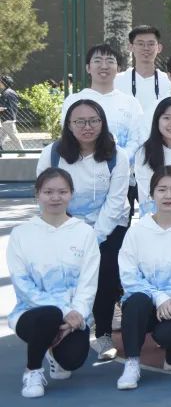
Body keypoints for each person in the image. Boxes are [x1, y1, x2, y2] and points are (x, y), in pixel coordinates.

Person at [37, 100, 130, 362]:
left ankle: (103, 334)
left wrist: (93, 237)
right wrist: (70, 230)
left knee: (106, 275)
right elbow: (46, 194)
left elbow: (115, 201)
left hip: (108, 226)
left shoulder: (117, 156)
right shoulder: (52, 154)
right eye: (80, 121)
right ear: (69, 125)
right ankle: (60, 329)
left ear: (102, 123)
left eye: (93, 121)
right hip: (64, 224)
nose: (87, 127)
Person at [8, 168, 99, 399]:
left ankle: (53, 353)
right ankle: (33, 370)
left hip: (73, 317)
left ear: (71, 194)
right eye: (48, 192)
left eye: (62, 192)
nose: (55, 197)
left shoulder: (85, 233)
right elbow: (23, 285)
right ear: (37, 194)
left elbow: (88, 282)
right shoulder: (21, 234)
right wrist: (65, 311)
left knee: (72, 360)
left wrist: (77, 314)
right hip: (31, 314)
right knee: (49, 314)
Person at [115, 167, 171, 389]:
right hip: (146, 302)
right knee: (135, 302)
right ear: (151, 193)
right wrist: (159, 298)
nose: (168, 195)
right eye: (162, 189)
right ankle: (132, 363)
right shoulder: (138, 231)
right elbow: (128, 275)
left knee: (169, 335)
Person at [61, 44, 145, 164]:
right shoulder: (73, 101)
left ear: (118, 68)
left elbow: (137, 140)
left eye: (110, 61)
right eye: (97, 61)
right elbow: (68, 135)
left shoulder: (131, 103)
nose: (104, 66)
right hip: (81, 168)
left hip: (122, 171)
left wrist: (119, 161)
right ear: (88, 68)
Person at [114, 25, 171, 115]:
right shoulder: (117, 80)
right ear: (130, 47)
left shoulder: (169, 81)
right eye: (140, 44)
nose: (146, 48)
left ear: (159, 48)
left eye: (151, 44)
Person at [0, 74, 23, 150]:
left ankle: (22, 152)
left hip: (6, 118)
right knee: (2, 137)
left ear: (4, 83)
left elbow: (3, 107)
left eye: (1, 81)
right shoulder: (12, 92)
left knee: (14, 136)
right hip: (10, 117)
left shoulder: (5, 93)